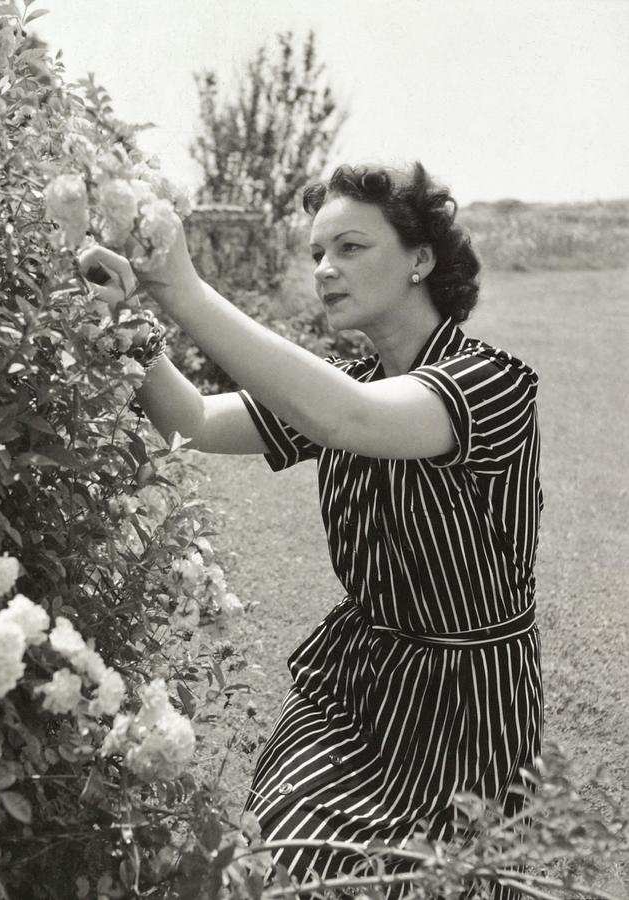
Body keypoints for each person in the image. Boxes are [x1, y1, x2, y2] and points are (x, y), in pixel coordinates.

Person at [79, 162, 543, 897]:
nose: (325, 269)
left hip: (468, 698)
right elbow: (193, 423)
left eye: (351, 248)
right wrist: (124, 321)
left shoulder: (489, 383)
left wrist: (185, 288)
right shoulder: (345, 380)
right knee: (293, 848)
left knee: (437, 882)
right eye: (317, 254)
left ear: (421, 259)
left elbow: (347, 420)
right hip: (361, 676)